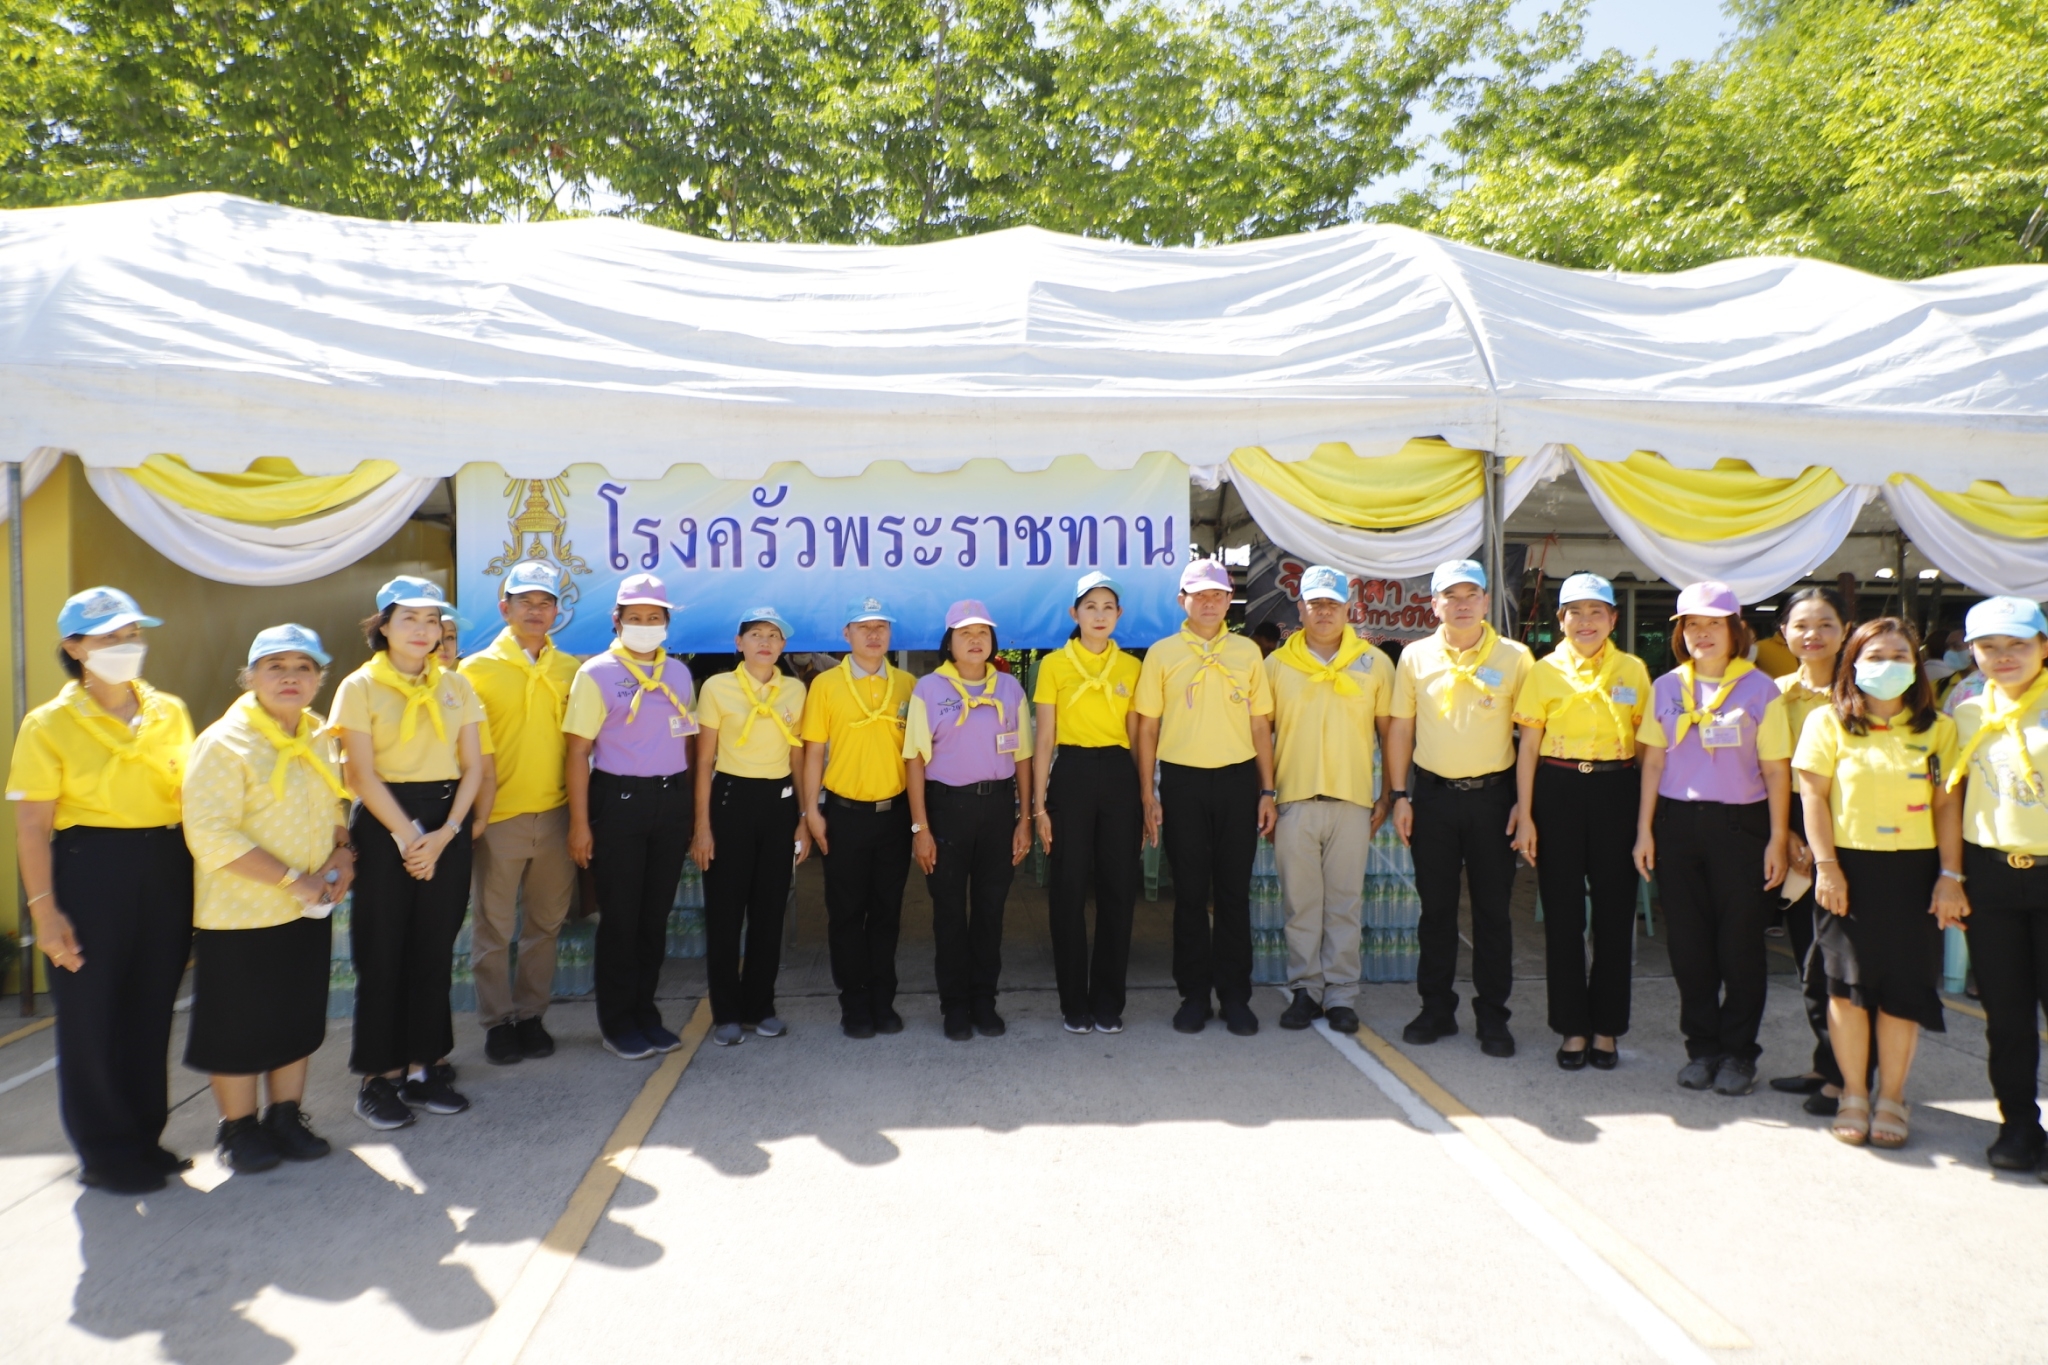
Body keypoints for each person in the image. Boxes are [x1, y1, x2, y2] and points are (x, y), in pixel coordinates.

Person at [7, 587, 194, 1194]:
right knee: (90, 1016)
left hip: (164, 863)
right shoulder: (49, 724)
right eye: (109, 637)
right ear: (73, 647)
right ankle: (103, 1150)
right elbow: (33, 825)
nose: (125, 646)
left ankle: (144, 1136)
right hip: (89, 869)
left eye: (132, 634)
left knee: (150, 1005)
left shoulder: (170, 711)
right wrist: (46, 911)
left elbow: (191, 799)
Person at [182, 626, 354, 1171]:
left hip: (306, 910)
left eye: (303, 667)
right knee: (236, 1027)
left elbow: (336, 806)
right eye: (275, 665)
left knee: (295, 1018)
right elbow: (210, 834)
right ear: (251, 676)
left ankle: (285, 1115)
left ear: (318, 679)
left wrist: (343, 853)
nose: (289, 677)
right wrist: (292, 880)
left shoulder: (322, 735)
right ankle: (237, 1129)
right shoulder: (223, 742)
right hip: (240, 915)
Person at [1793, 616, 1961, 1147]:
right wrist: (1826, 867)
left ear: (1916, 666)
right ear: (1853, 664)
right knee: (1846, 989)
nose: (1887, 667)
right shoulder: (1827, 723)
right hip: (1847, 870)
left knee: (1902, 991)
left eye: (1898, 656)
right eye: (1875, 657)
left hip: (1914, 873)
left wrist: (1950, 876)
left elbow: (1947, 807)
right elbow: (1813, 797)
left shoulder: (1940, 729)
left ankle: (1891, 1095)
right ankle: (1853, 1094)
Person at [334, 577, 488, 1128]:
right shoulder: (360, 686)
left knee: (433, 951)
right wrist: (406, 838)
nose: (424, 631)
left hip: (444, 822)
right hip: (384, 823)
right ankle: (380, 1078)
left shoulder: (456, 685)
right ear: (384, 627)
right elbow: (359, 774)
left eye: (432, 621)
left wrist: (447, 832)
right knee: (381, 953)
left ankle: (427, 1067)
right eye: (410, 620)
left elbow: (473, 766)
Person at [1633, 580, 1791, 1096]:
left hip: (1741, 828)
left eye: (1713, 624)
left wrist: (1776, 838)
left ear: (1735, 630)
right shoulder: (1665, 687)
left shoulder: (1760, 688)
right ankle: (1701, 1048)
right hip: (1678, 826)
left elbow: (1775, 772)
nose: (1702, 634)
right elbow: (1653, 762)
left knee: (1740, 947)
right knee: (1689, 948)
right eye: (1692, 625)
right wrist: (1644, 831)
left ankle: (1739, 1054)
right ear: (1681, 633)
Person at [1384, 559, 1532, 1057]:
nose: (1463, 603)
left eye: (1472, 594)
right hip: (1432, 799)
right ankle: (1436, 1009)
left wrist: (1523, 805)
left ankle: (1493, 1016)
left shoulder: (1516, 658)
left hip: (1494, 799)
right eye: (1452, 595)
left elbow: (1531, 738)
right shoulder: (1414, 657)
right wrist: (1400, 796)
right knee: (1436, 911)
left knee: (1493, 914)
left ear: (1488, 601)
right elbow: (1401, 728)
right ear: (1435, 604)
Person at [1509, 573, 1651, 1070]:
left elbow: (1649, 747)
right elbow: (1528, 747)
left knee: (1615, 916)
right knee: (1563, 917)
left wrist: (1646, 823)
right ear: (1561, 620)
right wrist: (1525, 814)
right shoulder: (1543, 671)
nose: (1586, 621)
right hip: (1558, 790)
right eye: (1576, 612)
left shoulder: (1633, 670)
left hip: (1617, 790)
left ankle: (1607, 1028)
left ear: (1613, 618)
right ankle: (1572, 1027)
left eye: (1597, 612)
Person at [1135, 558, 1277, 1037]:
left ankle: (1235, 996)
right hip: (1182, 782)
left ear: (1228, 602)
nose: (1211, 602)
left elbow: (1261, 725)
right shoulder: (1162, 653)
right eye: (1200, 595)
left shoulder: (1247, 653)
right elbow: (1148, 728)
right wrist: (1147, 793)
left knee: (1235, 895)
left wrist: (1267, 790)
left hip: (1238, 782)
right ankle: (1193, 995)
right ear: (1183, 601)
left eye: (1219, 594)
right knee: (1190, 896)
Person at [564, 573, 696, 1060]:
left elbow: (687, 739)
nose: (645, 625)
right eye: (635, 618)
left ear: (666, 623)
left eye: (654, 618)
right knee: (620, 917)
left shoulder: (678, 674)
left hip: (670, 801)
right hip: (617, 802)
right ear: (617, 620)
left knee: (653, 916)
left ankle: (645, 1012)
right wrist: (580, 824)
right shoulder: (595, 673)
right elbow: (578, 753)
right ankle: (617, 1022)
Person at [459, 561, 582, 1065]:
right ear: (504, 607)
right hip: (499, 819)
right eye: (525, 601)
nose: (536, 610)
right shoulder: (474, 671)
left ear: (558, 611)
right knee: (492, 927)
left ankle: (531, 1014)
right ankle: (497, 1021)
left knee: (545, 924)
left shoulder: (572, 670)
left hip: (556, 815)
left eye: (545, 602)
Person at [1265, 565, 1392, 1036]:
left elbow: (1390, 732)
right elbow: (1262, 733)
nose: (1323, 611)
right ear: (1300, 608)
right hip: (1294, 800)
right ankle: (1305, 989)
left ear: (1347, 608)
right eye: (1314, 603)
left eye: (1332, 604)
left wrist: (1390, 792)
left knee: (1344, 903)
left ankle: (1340, 994)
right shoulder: (1277, 665)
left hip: (1352, 801)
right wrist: (1265, 791)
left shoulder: (1374, 664)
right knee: (1301, 904)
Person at [1946, 596, 2048, 1178]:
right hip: (1992, 878)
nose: (2003, 657)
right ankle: (2017, 1125)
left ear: (2042, 647)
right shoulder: (1963, 710)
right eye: (1989, 646)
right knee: (2006, 1017)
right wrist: (1953, 877)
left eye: (2017, 645)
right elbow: (1951, 799)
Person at [904, 601, 1034, 1040]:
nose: (976, 640)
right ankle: (954, 1006)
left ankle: (984, 1002)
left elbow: (1023, 759)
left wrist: (1025, 818)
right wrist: (920, 828)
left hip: (998, 809)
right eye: (965, 633)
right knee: (948, 913)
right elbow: (915, 762)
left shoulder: (1010, 690)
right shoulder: (928, 688)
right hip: (946, 810)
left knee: (991, 911)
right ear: (950, 643)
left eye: (983, 632)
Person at [692, 607, 810, 1048]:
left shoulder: (795, 690)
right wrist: (701, 826)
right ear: (739, 643)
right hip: (729, 802)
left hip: (779, 805)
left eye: (774, 635)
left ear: (783, 647)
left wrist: (802, 817)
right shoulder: (717, 688)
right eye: (756, 634)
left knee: (769, 911)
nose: (765, 642)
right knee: (725, 913)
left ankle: (761, 1005)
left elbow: (797, 757)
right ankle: (725, 1011)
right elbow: (703, 760)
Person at [1032, 572, 1144, 1034]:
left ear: (1119, 616)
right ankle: (1072, 1002)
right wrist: (1038, 805)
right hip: (1071, 775)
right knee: (1068, 890)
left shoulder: (1133, 669)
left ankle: (1108, 1001)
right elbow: (1044, 739)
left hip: (1119, 775)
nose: (1099, 615)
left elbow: (1139, 738)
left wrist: (1144, 796)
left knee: (1119, 890)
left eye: (1108, 607)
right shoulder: (1055, 666)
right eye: (1090, 607)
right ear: (1074, 614)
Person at [801, 597, 917, 1039]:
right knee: (846, 913)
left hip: (894, 815)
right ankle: (854, 1004)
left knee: (887, 913)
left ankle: (882, 1002)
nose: (874, 635)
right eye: (863, 627)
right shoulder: (826, 685)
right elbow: (813, 753)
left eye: (881, 627)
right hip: (844, 815)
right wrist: (811, 810)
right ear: (845, 635)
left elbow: (917, 757)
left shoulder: (908, 684)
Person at [1766, 587, 1854, 1112]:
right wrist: (1788, 834)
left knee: (1842, 960)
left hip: (1847, 829)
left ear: (1845, 630)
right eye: (1801, 625)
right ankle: (1826, 1064)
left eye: (1825, 624)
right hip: (1792, 826)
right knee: (1808, 958)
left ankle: (1847, 1076)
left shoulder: (1860, 694)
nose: (1812, 635)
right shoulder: (1772, 693)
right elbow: (1765, 771)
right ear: (1784, 634)